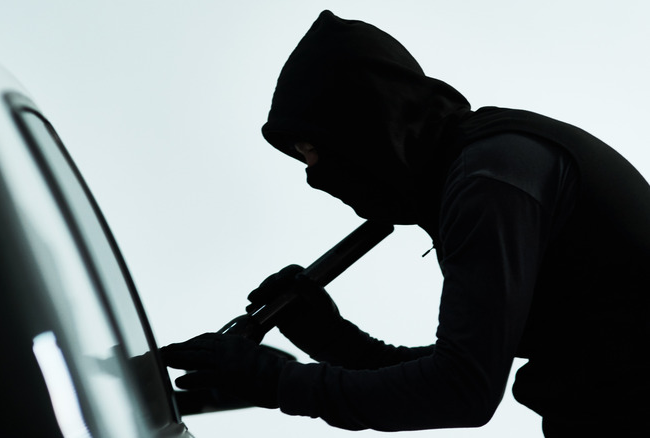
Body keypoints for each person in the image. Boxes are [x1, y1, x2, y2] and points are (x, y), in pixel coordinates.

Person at [162, 10, 649, 436]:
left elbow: (462, 390)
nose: (315, 177)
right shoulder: (482, 166)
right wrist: (334, 340)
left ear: (361, 128)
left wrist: (272, 382)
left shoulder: (490, 181)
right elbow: (459, 369)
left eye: (314, 151)